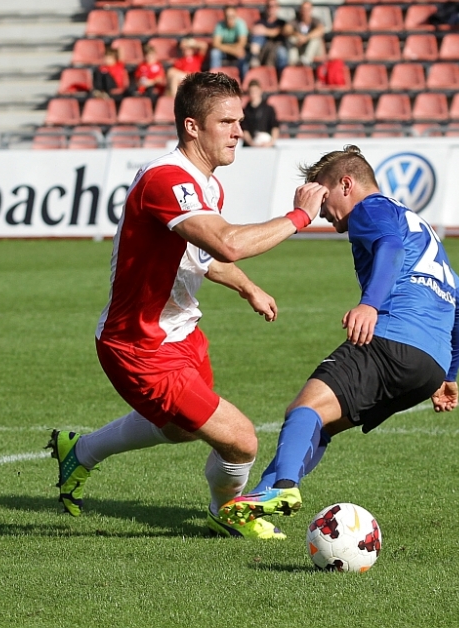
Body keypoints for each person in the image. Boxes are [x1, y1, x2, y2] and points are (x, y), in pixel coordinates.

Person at [46, 72, 325, 541]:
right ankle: (226, 512)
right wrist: (299, 217)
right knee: (241, 441)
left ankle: (82, 451)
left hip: (182, 333)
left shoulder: (206, 185)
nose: (238, 131)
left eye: (239, 121)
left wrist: (247, 287)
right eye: (227, 122)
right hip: (141, 346)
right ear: (192, 126)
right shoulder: (167, 179)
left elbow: (204, 258)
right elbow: (226, 243)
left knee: (183, 429)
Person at [217, 146, 459, 533]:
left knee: (304, 409)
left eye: (324, 197)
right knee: (319, 423)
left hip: (392, 339)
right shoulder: (420, 231)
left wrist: (370, 305)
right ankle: (257, 503)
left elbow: (389, 248)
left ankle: (282, 487)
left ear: (346, 184)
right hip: (429, 367)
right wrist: (449, 375)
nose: (322, 210)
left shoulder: (370, 208)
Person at [209, 6, 249, 79]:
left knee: (242, 55)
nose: (229, 19)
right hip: (227, 51)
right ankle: (214, 79)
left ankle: (244, 79)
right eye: (227, 16)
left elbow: (242, 43)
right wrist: (233, 50)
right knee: (214, 53)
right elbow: (215, 43)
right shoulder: (220, 25)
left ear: (236, 15)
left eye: (232, 16)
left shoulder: (241, 24)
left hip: (232, 49)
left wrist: (225, 46)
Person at [249, 1, 288, 75]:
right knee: (257, 38)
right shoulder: (260, 21)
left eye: (273, 6)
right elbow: (254, 30)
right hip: (263, 47)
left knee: (282, 52)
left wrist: (265, 31)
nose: (271, 9)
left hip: (277, 46)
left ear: (277, 8)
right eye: (269, 6)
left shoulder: (281, 22)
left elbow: (278, 32)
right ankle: (254, 58)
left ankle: (281, 76)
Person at [286, 1, 325, 67]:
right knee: (291, 39)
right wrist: (297, 35)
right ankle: (293, 61)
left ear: (311, 10)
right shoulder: (295, 21)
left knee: (315, 39)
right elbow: (286, 30)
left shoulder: (315, 21)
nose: (305, 11)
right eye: (303, 9)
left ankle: (306, 60)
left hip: (315, 51)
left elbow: (320, 30)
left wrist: (306, 38)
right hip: (300, 48)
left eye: (307, 9)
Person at [241, 80, 279, 147]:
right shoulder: (245, 111)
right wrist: (252, 143)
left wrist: (271, 143)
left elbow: (275, 127)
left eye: (255, 91)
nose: (253, 93)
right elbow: (244, 129)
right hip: (250, 147)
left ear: (260, 91)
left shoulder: (269, 109)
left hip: (267, 145)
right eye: (251, 91)